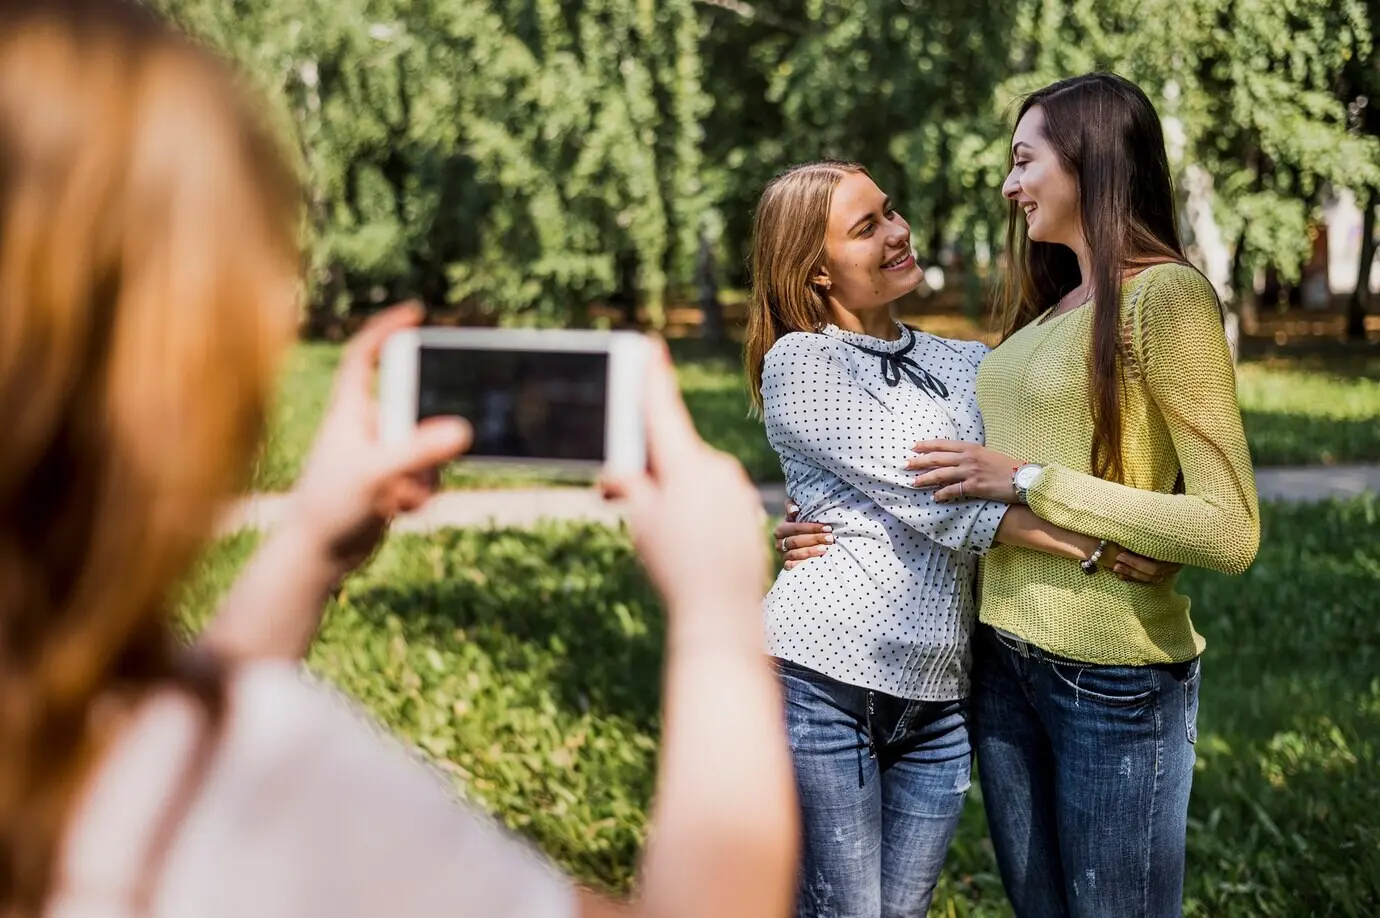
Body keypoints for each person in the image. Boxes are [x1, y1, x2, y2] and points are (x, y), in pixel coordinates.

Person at [0, 2, 798, 916]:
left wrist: (309, 549)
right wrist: (716, 616)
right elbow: (203, 777)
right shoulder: (280, 792)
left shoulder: (82, 753)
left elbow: (169, 751)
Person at [776, 73, 1260, 918]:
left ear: (1089, 161)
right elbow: (921, 473)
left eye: (1025, 161)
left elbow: (1230, 528)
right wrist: (822, 518)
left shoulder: (1164, 295)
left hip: (1109, 675)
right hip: (1000, 665)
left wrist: (1034, 482)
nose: (1009, 186)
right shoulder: (1041, 317)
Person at [743, 160, 1174, 918]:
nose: (898, 232)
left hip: (941, 701)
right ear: (816, 270)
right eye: (867, 227)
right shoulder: (801, 361)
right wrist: (1097, 550)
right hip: (822, 683)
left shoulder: (967, 361)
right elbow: (943, 503)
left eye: (891, 211)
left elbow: (1033, 460)